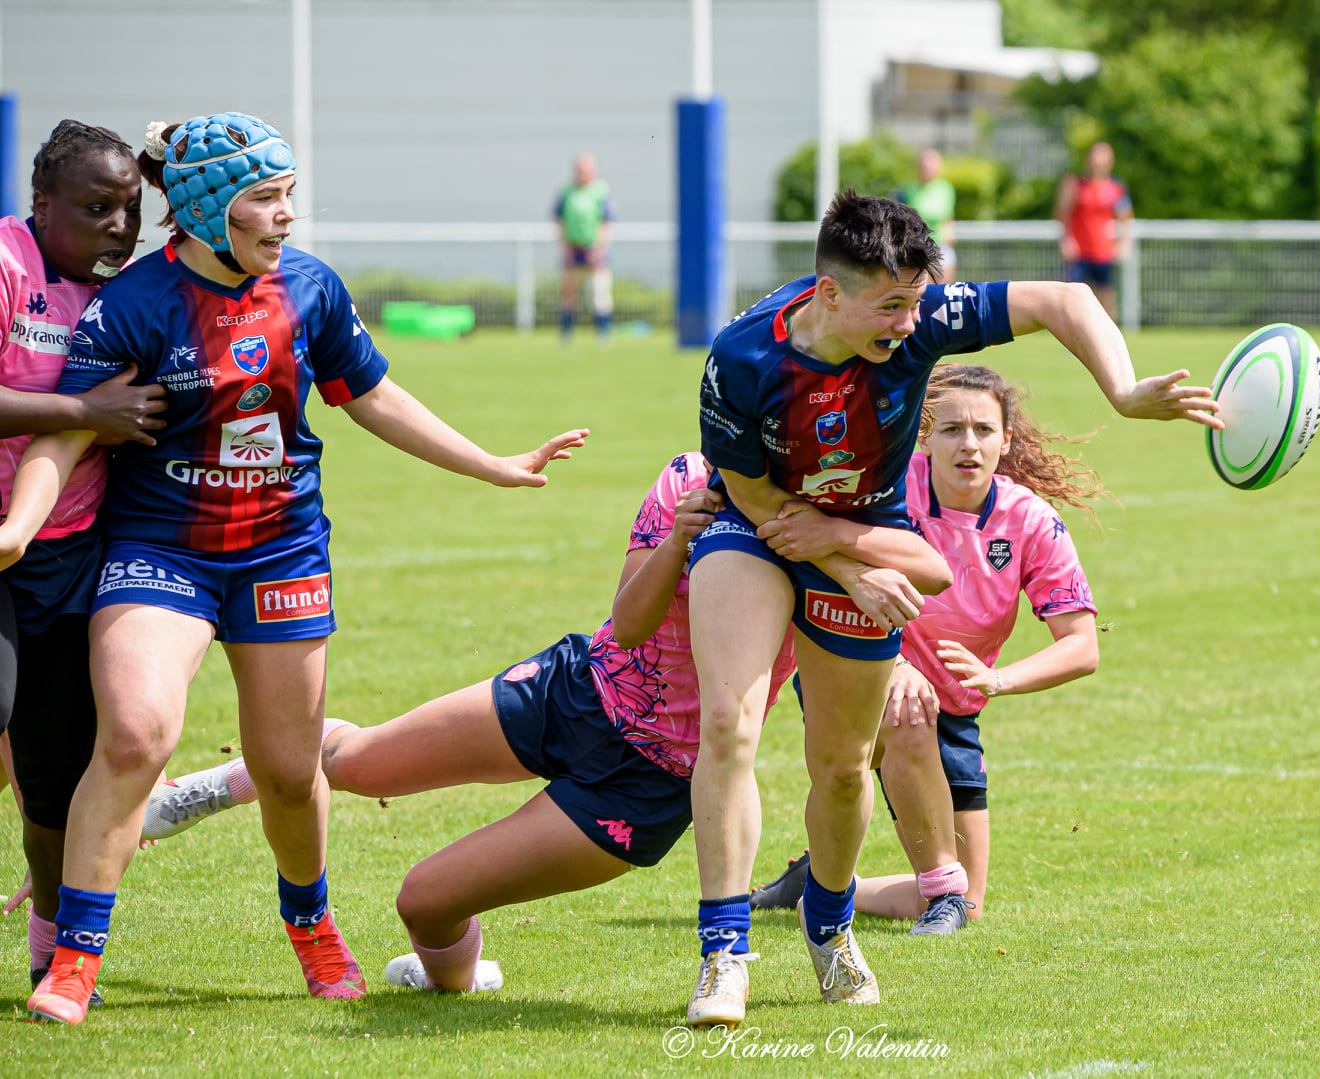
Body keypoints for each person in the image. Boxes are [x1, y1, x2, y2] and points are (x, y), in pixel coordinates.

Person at [0, 112, 586, 1026]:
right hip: (162, 551)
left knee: (283, 767)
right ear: (205, 207)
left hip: (279, 550)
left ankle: (310, 921)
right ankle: (74, 958)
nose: (286, 218)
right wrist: (19, 527)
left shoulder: (309, 289)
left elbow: (375, 396)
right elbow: (65, 429)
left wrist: (493, 462)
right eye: (267, 200)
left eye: (288, 198)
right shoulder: (135, 304)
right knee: (135, 735)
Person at [139, 451, 944, 1009]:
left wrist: (887, 642)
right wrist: (680, 537)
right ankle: (206, 788)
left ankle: (454, 979)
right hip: (575, 689)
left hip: (650, 778)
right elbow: (628, 625)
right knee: (355, 759)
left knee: (423, 904)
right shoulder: (688, 478)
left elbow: (885, 609)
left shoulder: (836, 517)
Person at [686, 190, 1221, 1027]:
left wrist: (1119, 389)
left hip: (864, 533)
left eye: (914, 301)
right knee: (729, 722)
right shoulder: (744, 357)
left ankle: (828, 927)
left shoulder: (924, 317)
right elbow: (752, 491)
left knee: (839, 764)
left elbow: (1064, 298)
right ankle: (723, 955)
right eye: (888, 306)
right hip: (758, 527)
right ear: (829, 294)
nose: (907, 324)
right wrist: (841, 562)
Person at [751, 364, 1103, 930]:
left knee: (968, 903)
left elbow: (1082, 646)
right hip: (858, 673)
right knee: (906, 707)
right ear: (925, 434)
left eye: (985, 430)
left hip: (957, 708)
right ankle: (928, 888)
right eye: (952, 429)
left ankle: (821, 881)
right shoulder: (886, 487)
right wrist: (890, 663)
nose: (969, 444)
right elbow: (809, 538)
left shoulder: (1031, 521)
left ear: (1006, 440)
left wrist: (998, 680)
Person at [0, 120, 175, 1004]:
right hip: (0, 545)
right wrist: (82, 409)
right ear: (41, 205)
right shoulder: (6, 265)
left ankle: (49, 950)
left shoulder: (134, 296)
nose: (117, 225)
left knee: (55, 773)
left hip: (74, 559)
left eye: (130, 209)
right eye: (94, 206)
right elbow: (84, 413)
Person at [1055, 142, 1133, 320]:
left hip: (1104, 251)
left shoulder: (1116, 188)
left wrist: (1124, 242)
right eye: (1095, 156)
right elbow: (1062, 213)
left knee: (1106, 296)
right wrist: (1066, 239)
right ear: (1087, 159)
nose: (1098, 161)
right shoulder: (1075, 184)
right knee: (1071, 296)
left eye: (1103, 156)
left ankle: (1108, 340)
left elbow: (1126, 218)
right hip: (1079, 252)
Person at [554, 153, 615, 342]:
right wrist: (564, 245)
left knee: (599, 291)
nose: (583, 174)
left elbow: (606, 221)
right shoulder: (567, 192)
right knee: (569, 291)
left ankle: (603, 332)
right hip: (573, 247)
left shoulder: (600, 191)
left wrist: (600, 246)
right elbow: (560, 219)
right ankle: (566, 333)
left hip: (594, 248)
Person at [897, 149, 957, 284]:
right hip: (917, 246)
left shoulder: (945, 188)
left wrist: (950, 235)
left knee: (943, 289)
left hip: (941, 244)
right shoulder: (908, 189)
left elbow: (947, 216)